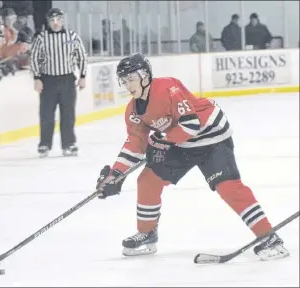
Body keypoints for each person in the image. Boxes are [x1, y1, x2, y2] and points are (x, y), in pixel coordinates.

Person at [95, 52, 290, 261]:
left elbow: (191, 124)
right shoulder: (133, 110)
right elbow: (135, 144)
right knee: (148, 179)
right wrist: (116, 173)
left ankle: (269, 237)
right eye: (124, 81)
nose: (128, 85)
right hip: (180, 142)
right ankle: (147, 233)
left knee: (228, 187)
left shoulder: (168, 87)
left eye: (131, 79)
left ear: (145, 76)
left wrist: (163, 142)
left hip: (211, 137)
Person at [30, 8, 87, 158]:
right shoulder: (41, 37)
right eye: (52, 20)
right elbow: (34, 58)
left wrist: (83, 75)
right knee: (46, 115)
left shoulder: (72, 35)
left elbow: (81, 55)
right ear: (48, 22)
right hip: (48, 80)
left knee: (68, 115)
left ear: (62, 20)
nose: (55, 23)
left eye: (58, 19)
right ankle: (44, 144)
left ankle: (69, 144)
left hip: (67, 80)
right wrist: (37, 78)